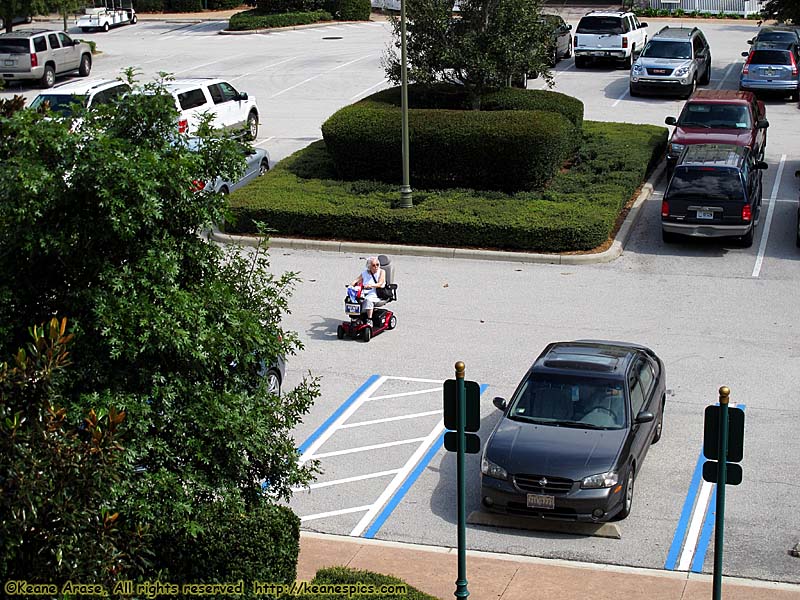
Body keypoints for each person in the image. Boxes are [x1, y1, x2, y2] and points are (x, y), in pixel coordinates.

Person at [349, 256, 385, 326]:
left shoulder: (382, 272)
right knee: (353, 299)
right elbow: (357, 280)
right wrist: (351, 285)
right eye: (373, 265)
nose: (376, 267)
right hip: (364, 292)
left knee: (368, 300)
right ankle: (355, 317)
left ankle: (369, 319)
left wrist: (371, 285)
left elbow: (380, 283)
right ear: (369, 266)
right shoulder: (365, 273)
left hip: (376, 292)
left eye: (377, 264)